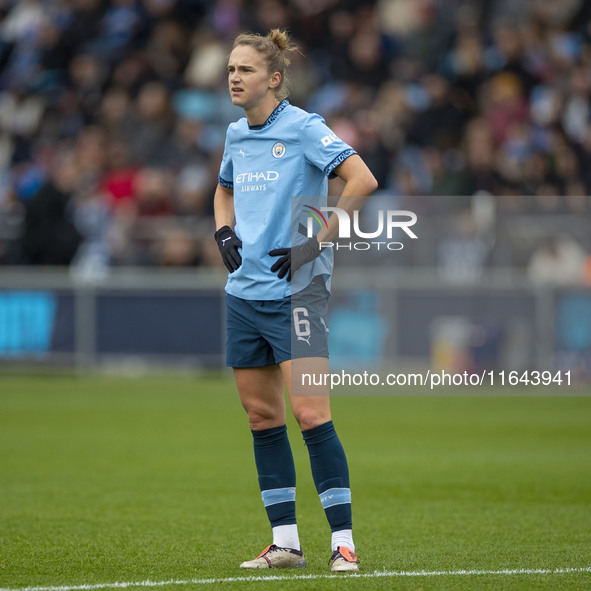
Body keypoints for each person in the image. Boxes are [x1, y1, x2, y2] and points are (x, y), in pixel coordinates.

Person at [213, 29, 377, 572]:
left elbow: (362, 179)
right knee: (262, 417)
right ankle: (286, 544)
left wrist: (316, 242)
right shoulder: (237, 133)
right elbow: (224, 188)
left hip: (297, 294)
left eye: (246, 70)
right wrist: (223, 231)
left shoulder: (306, 128)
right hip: (245, 294)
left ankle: (343, 544)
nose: (234, 77)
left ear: (274, 79)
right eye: (231, 69)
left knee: (310, 414)